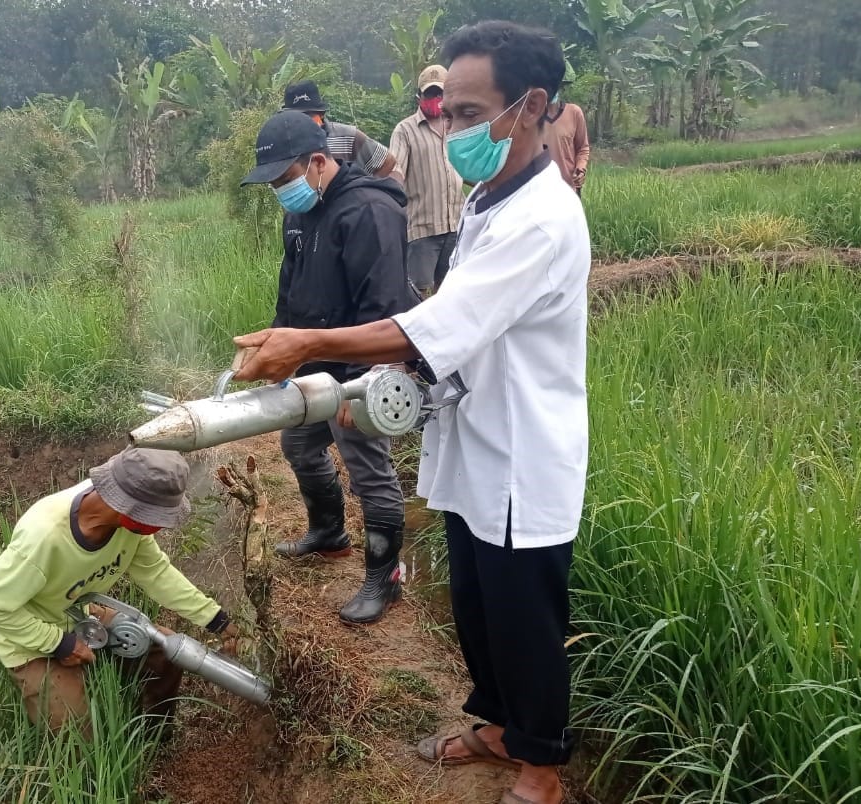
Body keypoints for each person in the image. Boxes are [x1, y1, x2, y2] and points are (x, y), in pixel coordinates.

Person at [232, 21, 588, 804]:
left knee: (526, 624)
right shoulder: (490, 199)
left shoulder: (541, 219)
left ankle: (541, 771)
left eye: (466, 114)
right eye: (445, 113)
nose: (448, 129)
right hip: (475, 445)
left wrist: (306, 344)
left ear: (529, 107)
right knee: (478, 608)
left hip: (524, 460)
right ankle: (495, 724)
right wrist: (387, 391)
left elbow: (430, 328)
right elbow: (448, 334)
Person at [239, 109, 416, 625]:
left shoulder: (368, 211)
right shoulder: (299, 211)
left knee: (368, 469)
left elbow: (385, 309)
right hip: (313, 364)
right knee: (297, 444)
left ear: (318, 161)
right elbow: (290, 289)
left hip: (359, 364)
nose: (279, 191)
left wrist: (359, 389)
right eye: (272, 184)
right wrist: (275, 346)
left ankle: (384, 578)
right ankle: (328, 531)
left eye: (284, 178)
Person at [0, 446, 239, 732]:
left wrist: (216, 620)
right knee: (74, 731)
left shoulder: (127, 525)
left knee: (165, 652)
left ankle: (152, 736)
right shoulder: (45, 537)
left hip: (79, 612)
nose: (160, 527)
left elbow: (157, 573)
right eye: (156, 518)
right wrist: (59, 643)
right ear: (127, 507)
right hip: (29, 633)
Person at [389, 64, 466, 297]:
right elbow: (395, 173)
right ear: (419, 96)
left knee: (452, 293)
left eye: (441, 93)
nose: (436, 99)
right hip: (423, 229)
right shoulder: (405, 130)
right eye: (430, 93)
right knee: (418, 295)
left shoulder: (459, 126)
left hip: (456, 226)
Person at [282, 80, 397, 178]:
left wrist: (367, 193)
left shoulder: (348, 136)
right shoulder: (286, 145)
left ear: (321, 114)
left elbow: (387, 161)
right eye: (296, 117)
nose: (302, 122)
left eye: (308, 116)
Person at [543, 64, 590, 195]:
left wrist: (580, 169)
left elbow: (583, 148)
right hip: (540, 192)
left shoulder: (574, 113)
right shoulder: (533, 118)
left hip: (568, 189)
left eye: (555, 85)